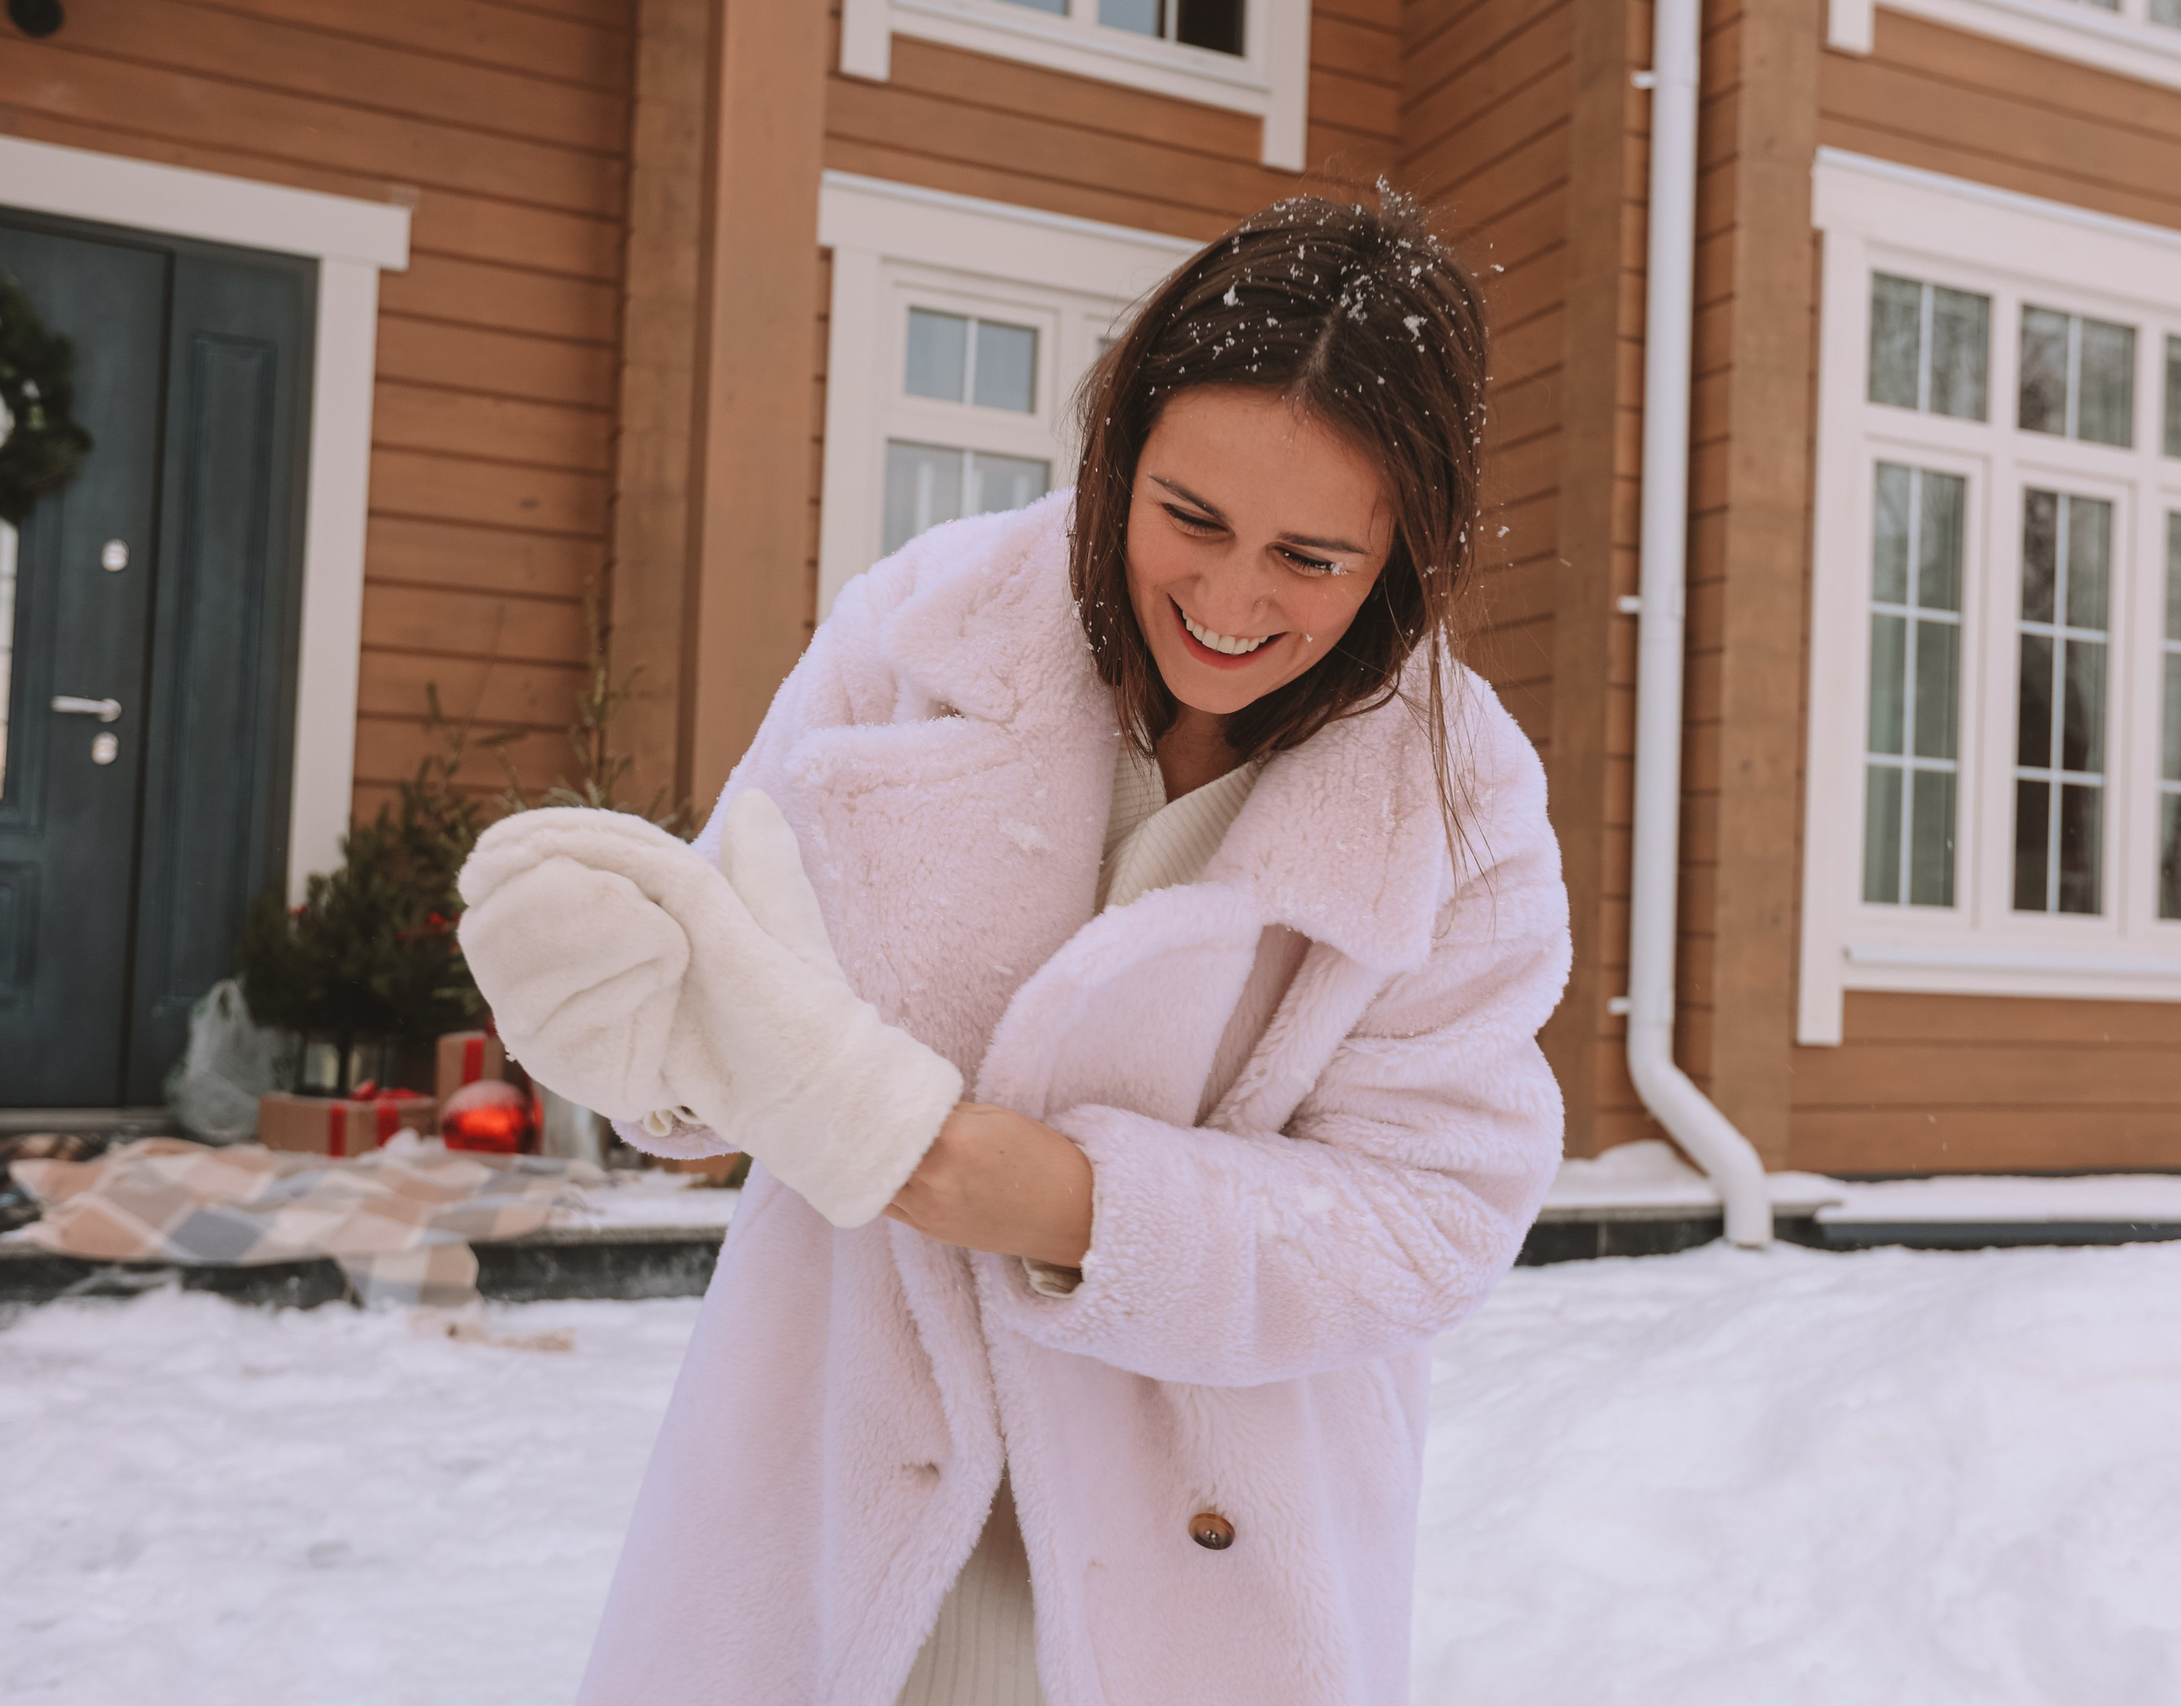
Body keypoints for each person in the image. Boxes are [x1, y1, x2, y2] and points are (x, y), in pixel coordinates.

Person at [456, 188, 1571, 1706]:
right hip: (831, 1515)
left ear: (1407, 552)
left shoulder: (1462, 800)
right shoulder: (918, 630)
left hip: (1203, 1575)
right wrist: (622, 1018)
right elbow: (728, 1000)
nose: (1232, 601)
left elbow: (1433, 1213)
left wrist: (1079, 1205)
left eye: (1311, 559)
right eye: (1190, 517)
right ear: (1121, 447)